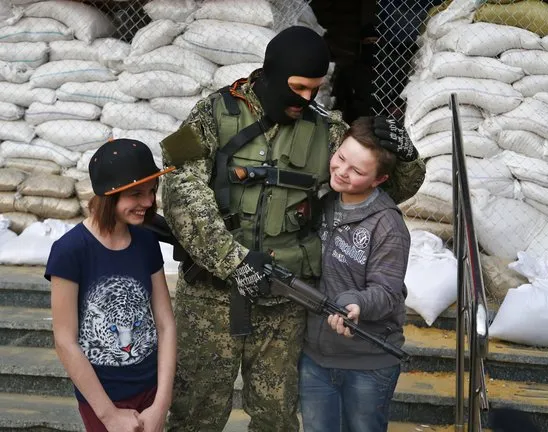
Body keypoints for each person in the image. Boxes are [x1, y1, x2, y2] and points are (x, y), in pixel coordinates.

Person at [159, 26, 425, 431]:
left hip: (283, 306)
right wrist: (234, 262)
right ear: (271, 73)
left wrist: (405, 156)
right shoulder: (211, 114)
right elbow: (179, 189)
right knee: (195, 414)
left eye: (316, 89)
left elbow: (387, 187)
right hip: (209, 299)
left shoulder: (326, 130)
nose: (307, 99)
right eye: (299, 87)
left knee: (278, 419)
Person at [45, 139, 177, 432]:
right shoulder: (70, 250)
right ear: (109, 195)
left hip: (151, 389)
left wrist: (161, 403)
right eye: (136, 193)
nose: (148, 202)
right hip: (102, 398)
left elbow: (166, 325)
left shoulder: (146, 242)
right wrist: (109, 415)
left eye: (152, 191)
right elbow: (64, 341)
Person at [299, 116, 410, 432]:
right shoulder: (324, 202)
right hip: (315, 358)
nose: (342, 172)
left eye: (358, 171)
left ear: (379, 179)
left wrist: (355, 303)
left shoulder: (388, 226)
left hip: (368, 362)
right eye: (341, 158)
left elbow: (387, 291)